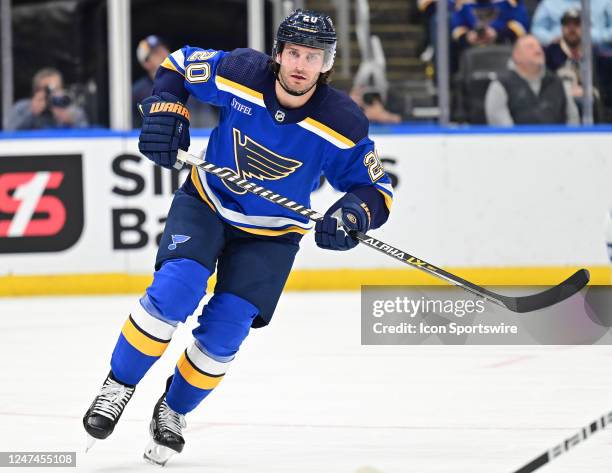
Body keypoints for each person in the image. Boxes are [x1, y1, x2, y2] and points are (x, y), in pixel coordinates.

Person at [82, 9, 393, 466]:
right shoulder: (241, 73)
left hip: (272, 235)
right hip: (207, 204)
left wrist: (353, 214)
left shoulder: (341, 121)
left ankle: (172, 410)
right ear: (277, 54)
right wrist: (167, 106)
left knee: (226, 330)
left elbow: (376, 191)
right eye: (293, 53)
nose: (300, 65)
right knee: (175, 290)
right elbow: (178, 64)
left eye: (312, 56)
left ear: (327, 63)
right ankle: (118, 385)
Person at [485, 34, 580, 125]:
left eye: (539, 46)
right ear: (516, 55)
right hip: (517, 141)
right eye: (531, 47)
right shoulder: (501, 85)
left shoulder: (558, 83)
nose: (538, 50)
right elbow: (503, 129)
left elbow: (573, 119)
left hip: (558, 140)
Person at [132, 35, 219, 128]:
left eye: (163, 49)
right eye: (156, 53)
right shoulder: (138, 91)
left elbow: (208, 123)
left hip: (194, 138)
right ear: (146, 63)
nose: (163, 54)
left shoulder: (189, 81)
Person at [544, 8, 601, 119]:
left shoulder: (595, 53)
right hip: (559, 107)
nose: (572, 29)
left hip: (593, 108)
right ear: (561, 28)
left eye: (577, 24)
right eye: (567, 24)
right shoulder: (551, 52)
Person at [6, 68, 88, 131]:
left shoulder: (70, 108)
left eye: (57, 88)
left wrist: (69, 121)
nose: (52, 93)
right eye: (48, 90)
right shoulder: (23, 108)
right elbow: (8, 134)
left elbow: (87, 136)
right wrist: (31, 113)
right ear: (36, 91)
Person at [532, 0, 612, 47]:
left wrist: (594, 37)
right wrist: (551, 39)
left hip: (596, 51)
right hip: (559, 51)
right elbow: (536, 29)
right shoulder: (550, 2)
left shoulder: (605, 2)